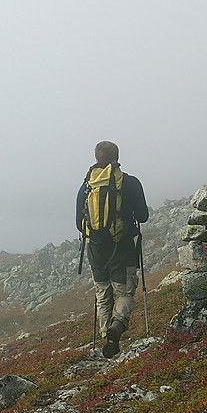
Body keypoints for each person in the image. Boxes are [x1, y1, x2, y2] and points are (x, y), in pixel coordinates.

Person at [75, 141, 149, 358]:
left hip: (96, 250)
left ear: (96, 158)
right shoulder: (130, 182)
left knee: (103, 294)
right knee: (124, 292)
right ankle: (116, 329)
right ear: (117, 157)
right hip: (123, 247)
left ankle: (106, 337)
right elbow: (143, 216)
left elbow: (80, 223)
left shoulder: (86, 185)